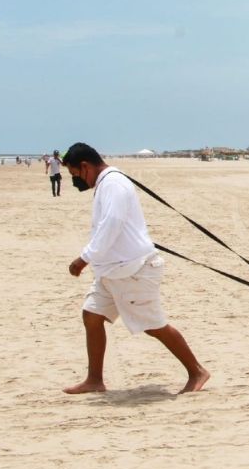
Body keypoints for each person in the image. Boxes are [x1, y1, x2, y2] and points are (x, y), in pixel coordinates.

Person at [61, 142, 209, 394]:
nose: (77, 181)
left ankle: (197, 371)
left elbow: (113, 224)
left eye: (76, 174)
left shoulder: (114, 185)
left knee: (153, 325)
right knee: (92, 316)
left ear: (85, 166)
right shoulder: (106, 184)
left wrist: (83, 258)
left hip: (134, 270)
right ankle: (94, 380)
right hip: (111, 270)